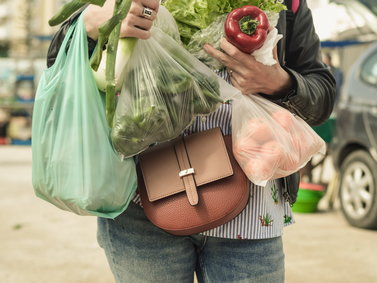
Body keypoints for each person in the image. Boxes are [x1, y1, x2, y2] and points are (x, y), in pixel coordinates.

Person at [46, 0, 335, 282]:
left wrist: (279, 82)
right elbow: (58, 62)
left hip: (251, 209)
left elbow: (322, 93)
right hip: (140, 201)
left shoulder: (288, 4)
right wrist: (92, 24)